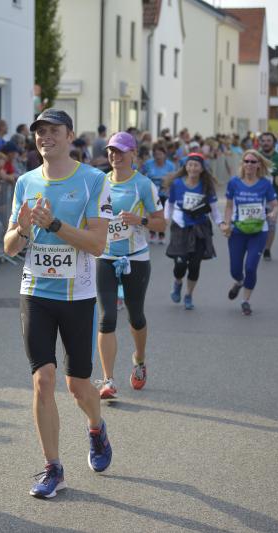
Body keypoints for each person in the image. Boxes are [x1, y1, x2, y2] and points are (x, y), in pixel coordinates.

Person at [3, 109, 114, 499]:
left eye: (53, 130)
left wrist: (54, 225)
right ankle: (54, 468)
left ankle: (96, 428)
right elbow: (10, 246)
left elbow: (97, 244)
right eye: (40, 131)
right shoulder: (26, 182)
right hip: (35, 291)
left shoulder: (93, 180)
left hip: (77, 295)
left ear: (69, 135)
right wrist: (23, 229)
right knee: (43, 378)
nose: (45, 137)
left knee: (78, 385)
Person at [94, 133, 165, 400]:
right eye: (111, 151)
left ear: (133, 154)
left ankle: (139, 359)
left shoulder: (143, 185)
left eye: (121, 151)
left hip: (135, 258)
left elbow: (161, 224)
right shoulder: (99, 182)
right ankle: (108, 380)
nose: (115, 156)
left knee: (136, 316)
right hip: (105, 257)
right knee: (107, 317)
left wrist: (140, 220)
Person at [164, 153, 224, 310]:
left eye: (196, 165)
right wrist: (166, 219)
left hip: (200, 228)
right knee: (180, 264)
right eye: (190, 164)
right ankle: (178, 282)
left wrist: (221, 224)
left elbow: (214, 210)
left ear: (202, 168)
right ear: (186, 167)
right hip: (180, 227)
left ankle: (189, 295)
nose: (192, 168)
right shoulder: (177, 184)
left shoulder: (206, 186)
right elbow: (169, 204)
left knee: (195, 265)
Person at [223, 150, 278, 315]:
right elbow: (229, 206)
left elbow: (275, 204)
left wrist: (274, 213)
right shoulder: (234, 182)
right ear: (242, 163)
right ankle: (239, 281)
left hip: (259, 231)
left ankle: (245, 301)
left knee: (251, 267)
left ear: (259, 165)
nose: (249, 164)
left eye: (253, 162)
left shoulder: (265, 184)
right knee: (235, 270)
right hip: (237, 231)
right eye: (246, 161)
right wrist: (226, 224)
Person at [141, 142, 176, 244]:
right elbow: (141, 175)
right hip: (151, 193)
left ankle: (161, 234)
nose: (158, 156)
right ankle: (152, 233)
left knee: (162, 214)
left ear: (165, 154)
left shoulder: (170, 165)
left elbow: (173, 178)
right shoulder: (148, 164)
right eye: (156, 154)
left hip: (164, 193)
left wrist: (167, 182)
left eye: (160, 154)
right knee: (152, 214)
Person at [257, 132, 278, 260]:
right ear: (260, 142)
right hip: (256, 196)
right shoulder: (255, 156)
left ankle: (267, 249)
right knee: (256, 223)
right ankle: (256, 247)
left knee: (271, 224)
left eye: (268, 140)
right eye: (263, 140)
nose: (266, 143)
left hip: (273, 197)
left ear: (274, 142)